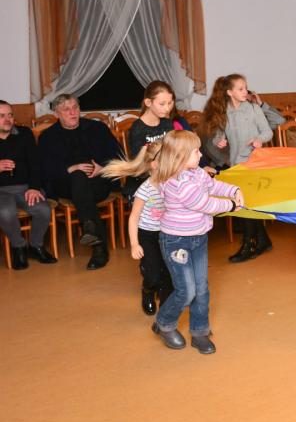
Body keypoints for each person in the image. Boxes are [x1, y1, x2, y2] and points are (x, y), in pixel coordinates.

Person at [150, 131, 240, 354]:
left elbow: (213, 186)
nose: (201, 155)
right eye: (196, 151)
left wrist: (234, 190)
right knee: (186, 290)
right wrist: (231, 205)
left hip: (198, 238)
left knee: (201, 288)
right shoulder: (178, 182)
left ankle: (200, 331)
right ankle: (164, 322)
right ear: (180, 157)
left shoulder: (196, 172)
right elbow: (204, 204)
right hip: (176, 242)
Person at [39, 94, 120, 270]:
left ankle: (90, 228)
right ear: (56, 114)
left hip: (98, 183)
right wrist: (70, 169)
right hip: (65, 186)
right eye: (66, 109)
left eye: (75, 107)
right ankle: (99, 247)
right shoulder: (48, 137)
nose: (73, 112)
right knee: (77, 177)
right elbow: (44, 170)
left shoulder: (97, 128)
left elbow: (118, 156)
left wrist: (102, 168)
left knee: (82, 186)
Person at [200, 74, 274, 263]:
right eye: (240, 89)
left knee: (246, 204)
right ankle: (263, 240)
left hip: (254, 163)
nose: (245, 91)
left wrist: (259, 139)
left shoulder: (253, 108)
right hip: (236, 165)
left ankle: (248, 244)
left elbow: (267, 132)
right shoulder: (224, 113)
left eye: (245, 88)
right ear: (229, 92)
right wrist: (219, 141)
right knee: (245, 203)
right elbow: (217, 136)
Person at [100, 141, 172, 316]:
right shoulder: (145, 190)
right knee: (153, 274)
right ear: (154, 165)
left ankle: (166, 312)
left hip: (168, 234)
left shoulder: (172, 184)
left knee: (168, 274)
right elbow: (133, 218)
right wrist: (134, 244)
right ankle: (148, 290)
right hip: (147, 236)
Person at [0, 100, 56, 269]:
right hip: (1, 191)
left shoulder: (24, 133)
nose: (8, 119)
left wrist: (34, 187)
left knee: (43, 209)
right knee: (6, 212)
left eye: (10, 115)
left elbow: (35, 164)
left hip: (25, 187)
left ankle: (35, 245)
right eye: (2, 116)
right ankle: (18, 247)